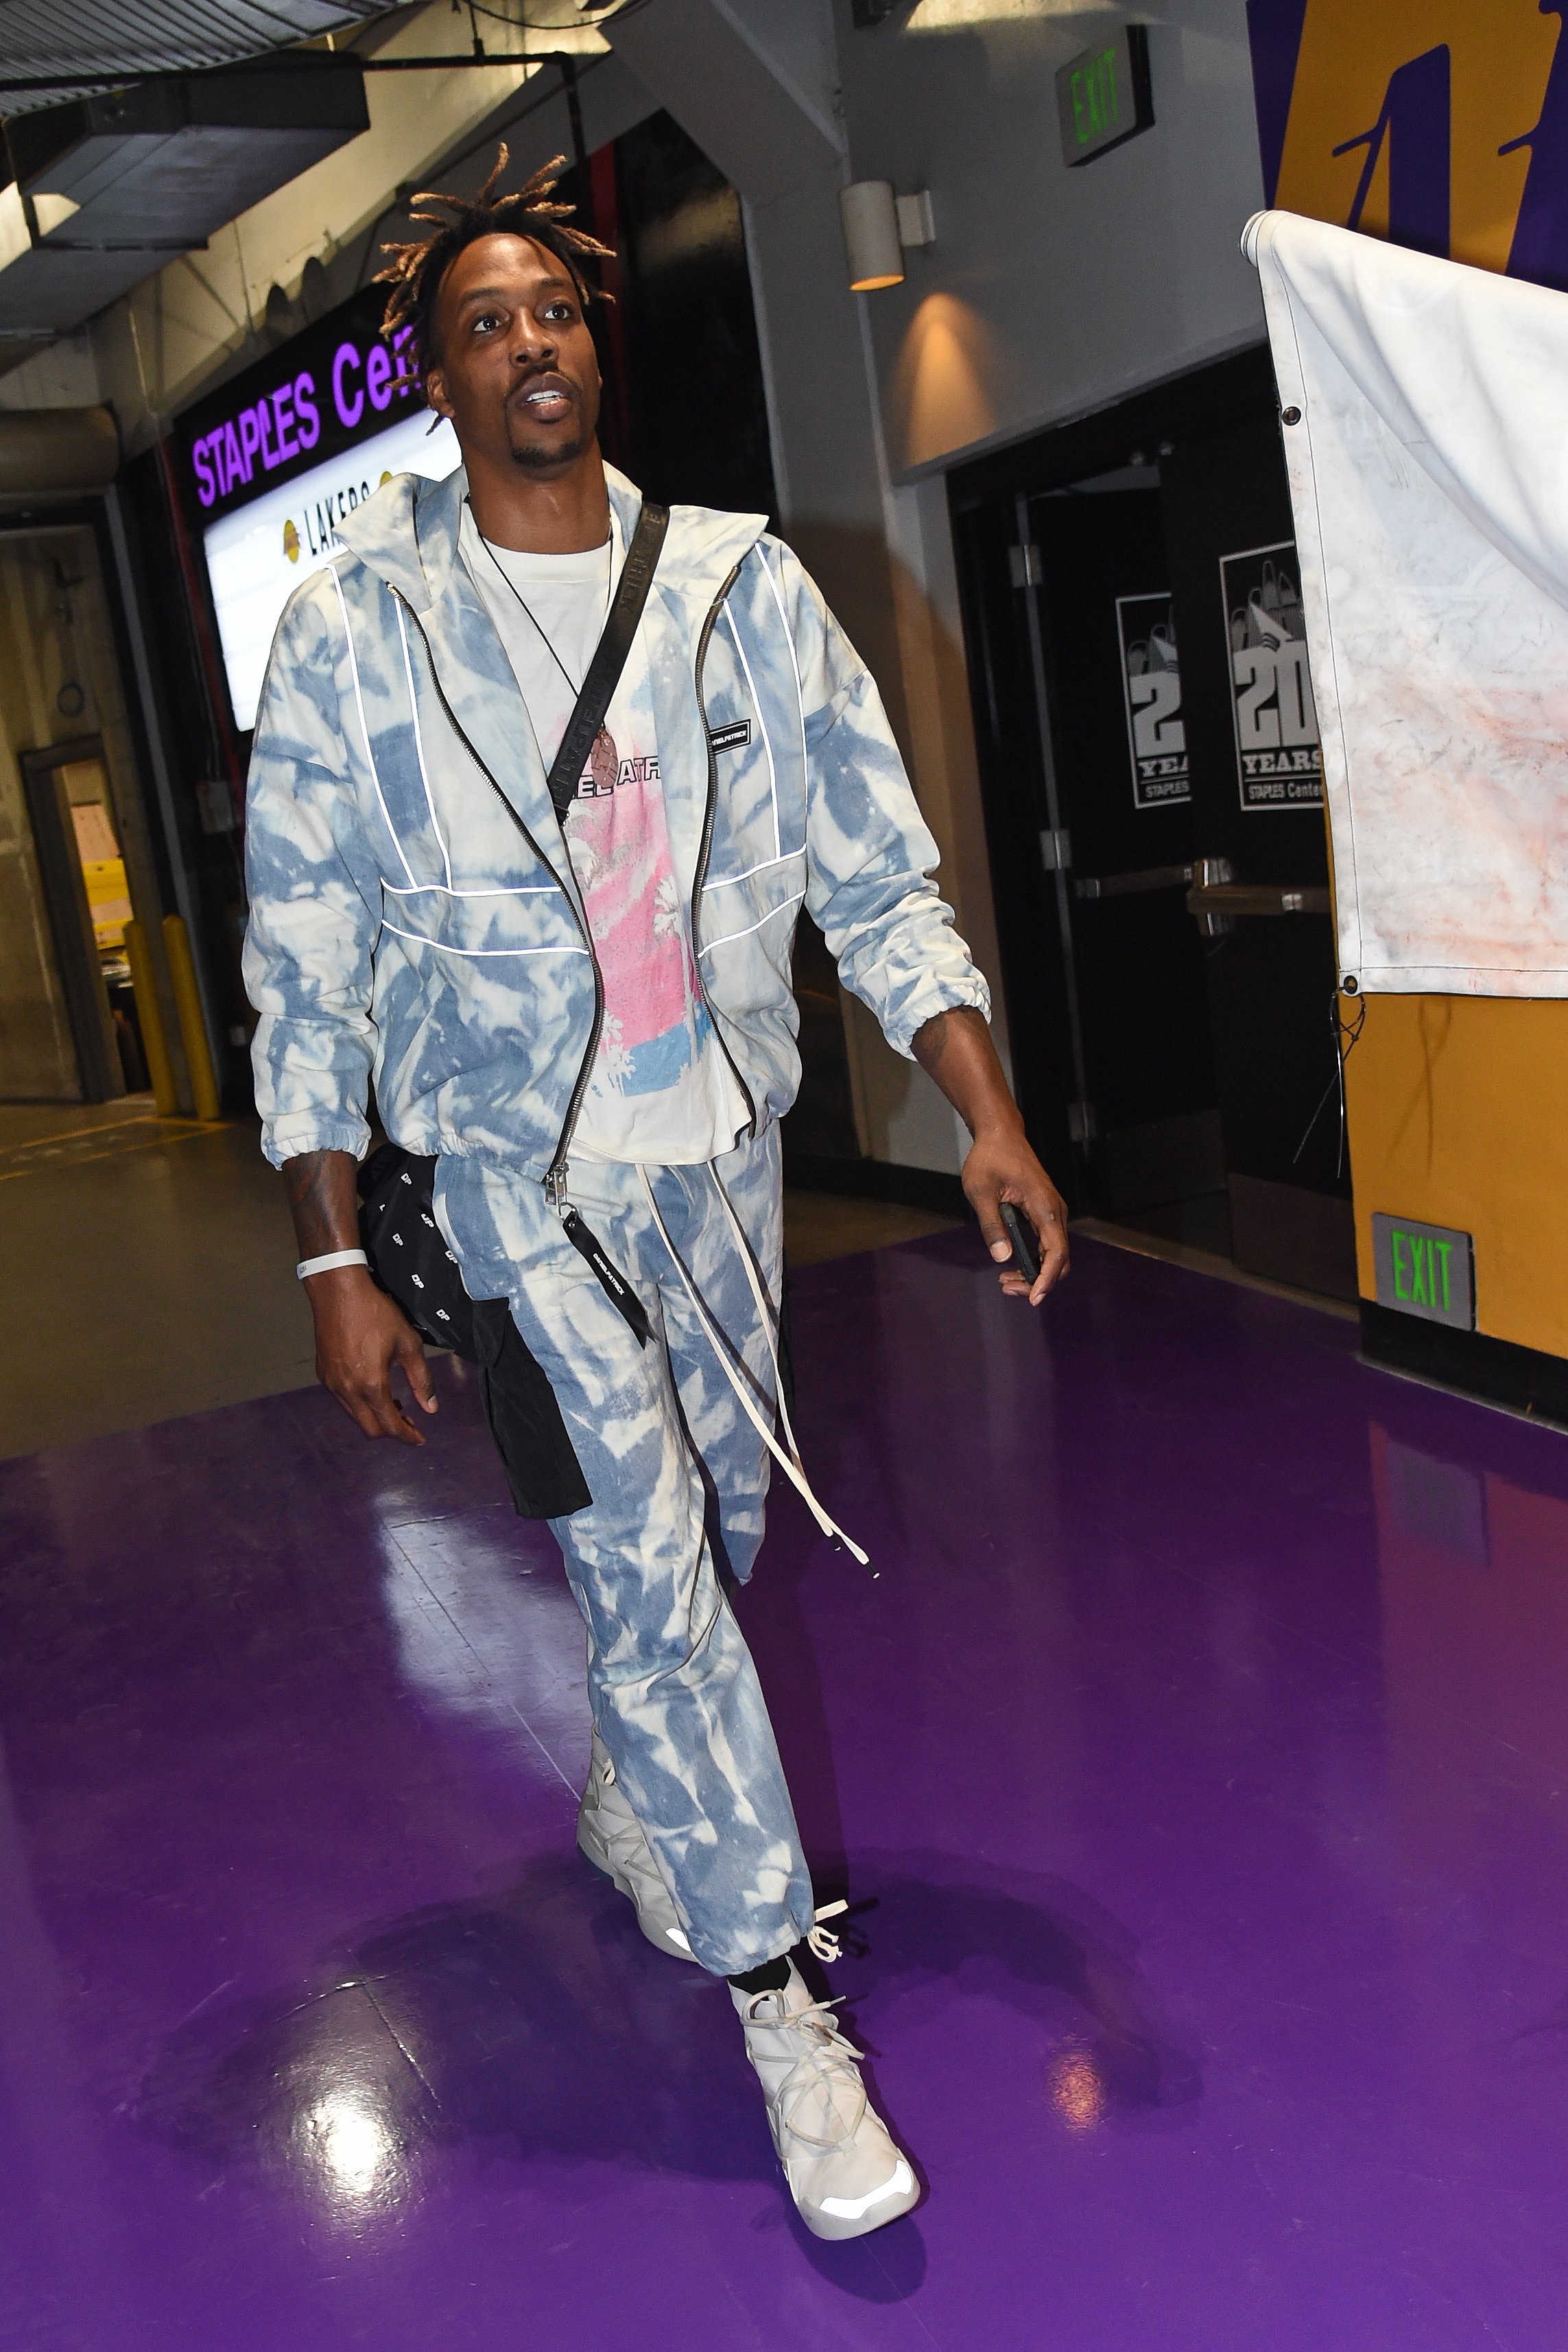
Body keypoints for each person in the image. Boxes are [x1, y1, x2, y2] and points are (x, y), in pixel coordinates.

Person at [243, 148, 1069, 2242]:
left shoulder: (739, 589)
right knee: (652, 1579)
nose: (534, 344)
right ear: (435, 382)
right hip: (515, 1189)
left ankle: (648, 1801)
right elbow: (305, 949)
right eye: (487, 324)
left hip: (716, 1162)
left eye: (560, 312)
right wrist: (336, 1246)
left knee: (693, 1538)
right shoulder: (361, 628)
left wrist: (980, 1104)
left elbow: (880, 877)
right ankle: (787, 2008)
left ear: (599, 343)